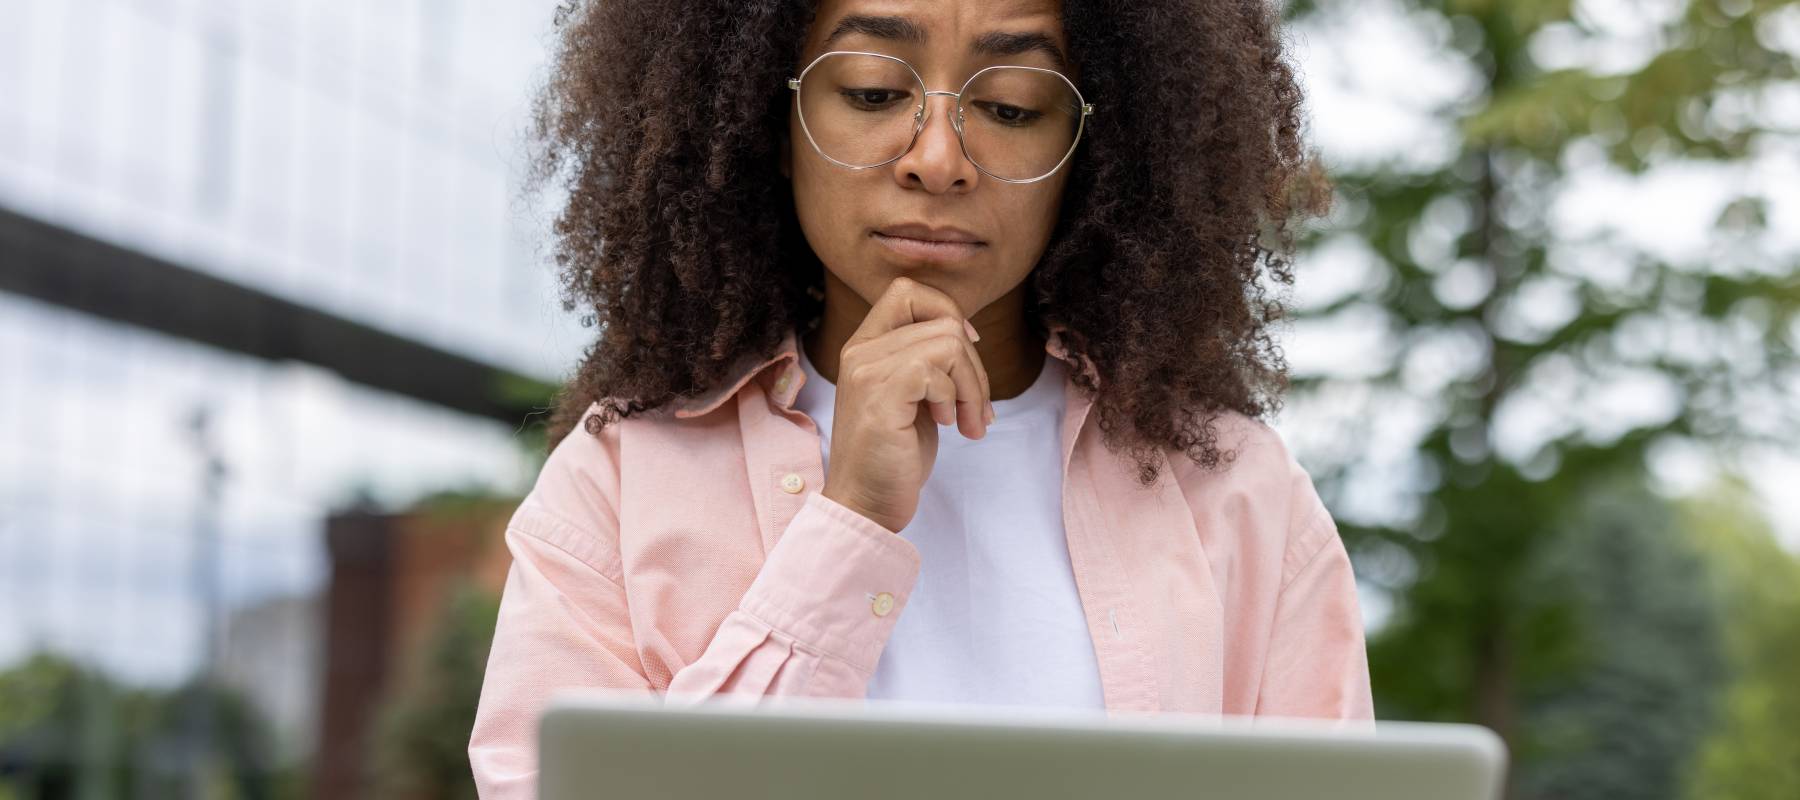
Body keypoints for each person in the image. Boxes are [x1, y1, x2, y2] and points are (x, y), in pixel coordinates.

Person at [470, 0, 1372, 795]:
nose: (938, 159)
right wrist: (849, 523)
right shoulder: (617, 486)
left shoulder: (1246, 502)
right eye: (870, 91)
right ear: (767, 121)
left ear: (1092, 154)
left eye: (1011, 105)